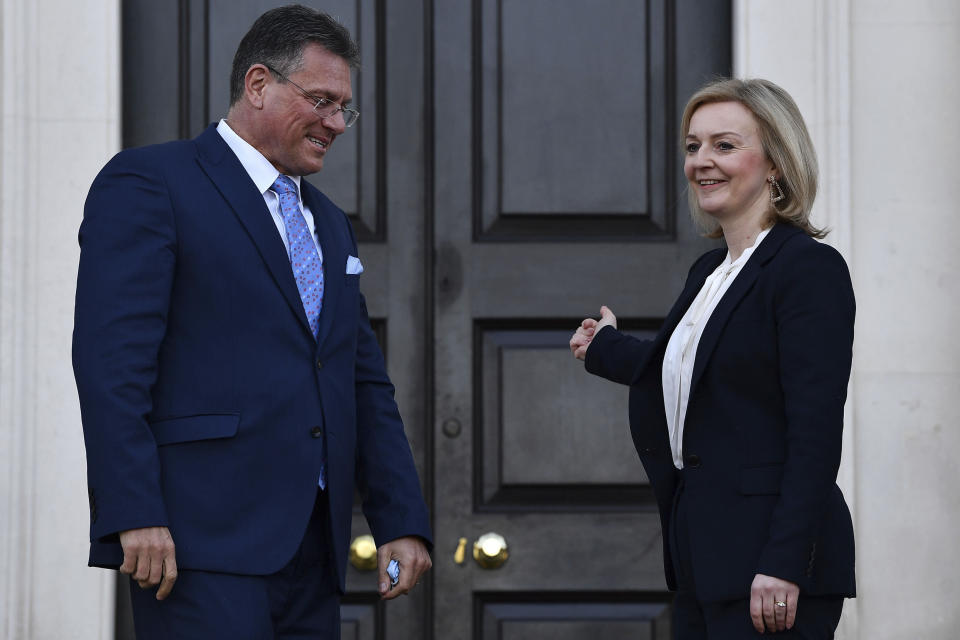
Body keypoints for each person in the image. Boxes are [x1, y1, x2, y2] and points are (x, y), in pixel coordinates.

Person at [73, 6, 431, 638]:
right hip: (194, 547)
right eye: (322, 100)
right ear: (259, 84)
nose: (335, 124)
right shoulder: (152, 183)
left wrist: (399, 518)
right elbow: (112, 366)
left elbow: (360, 382)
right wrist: (134, 510)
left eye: (344, 108)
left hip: (311, 556)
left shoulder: (329, 222)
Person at [569, 78, 855, 639]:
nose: (702, 161)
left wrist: (784, 561)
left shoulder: (808, 270)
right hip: (704, 561)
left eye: (724, 145)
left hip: (770, 571)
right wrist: (606, 348)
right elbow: (703, 373)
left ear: (775, 163)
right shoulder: (709, 272)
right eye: (693, 146)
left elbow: (816, 432)